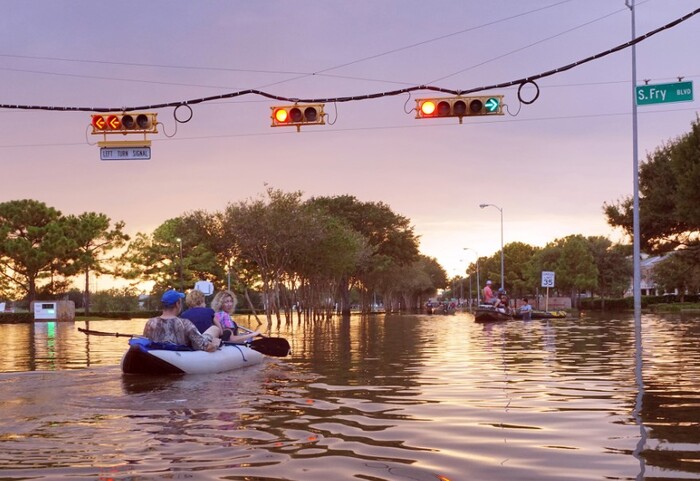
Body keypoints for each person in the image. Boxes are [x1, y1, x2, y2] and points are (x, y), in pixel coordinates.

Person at [142, 289, 221, 352]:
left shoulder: (150, 323)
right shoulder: (185, 324)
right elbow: (206, 347)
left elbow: (146, 343)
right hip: (180, 355)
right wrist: (215, 344)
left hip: (160, 353)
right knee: (215, 328)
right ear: (177, 304)